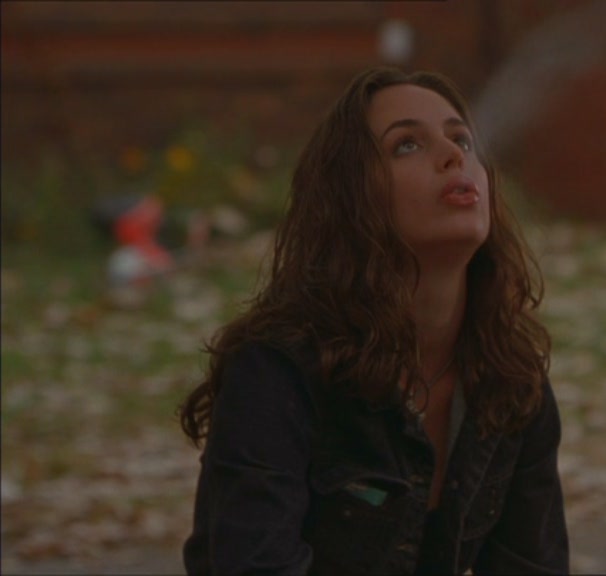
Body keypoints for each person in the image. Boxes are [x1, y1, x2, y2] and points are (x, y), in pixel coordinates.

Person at [178, 66, 569, 575]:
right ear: (352, 198)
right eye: (407, 145)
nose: (453, 156)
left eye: (462, 140)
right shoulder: (277, 371)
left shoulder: (510, 380)